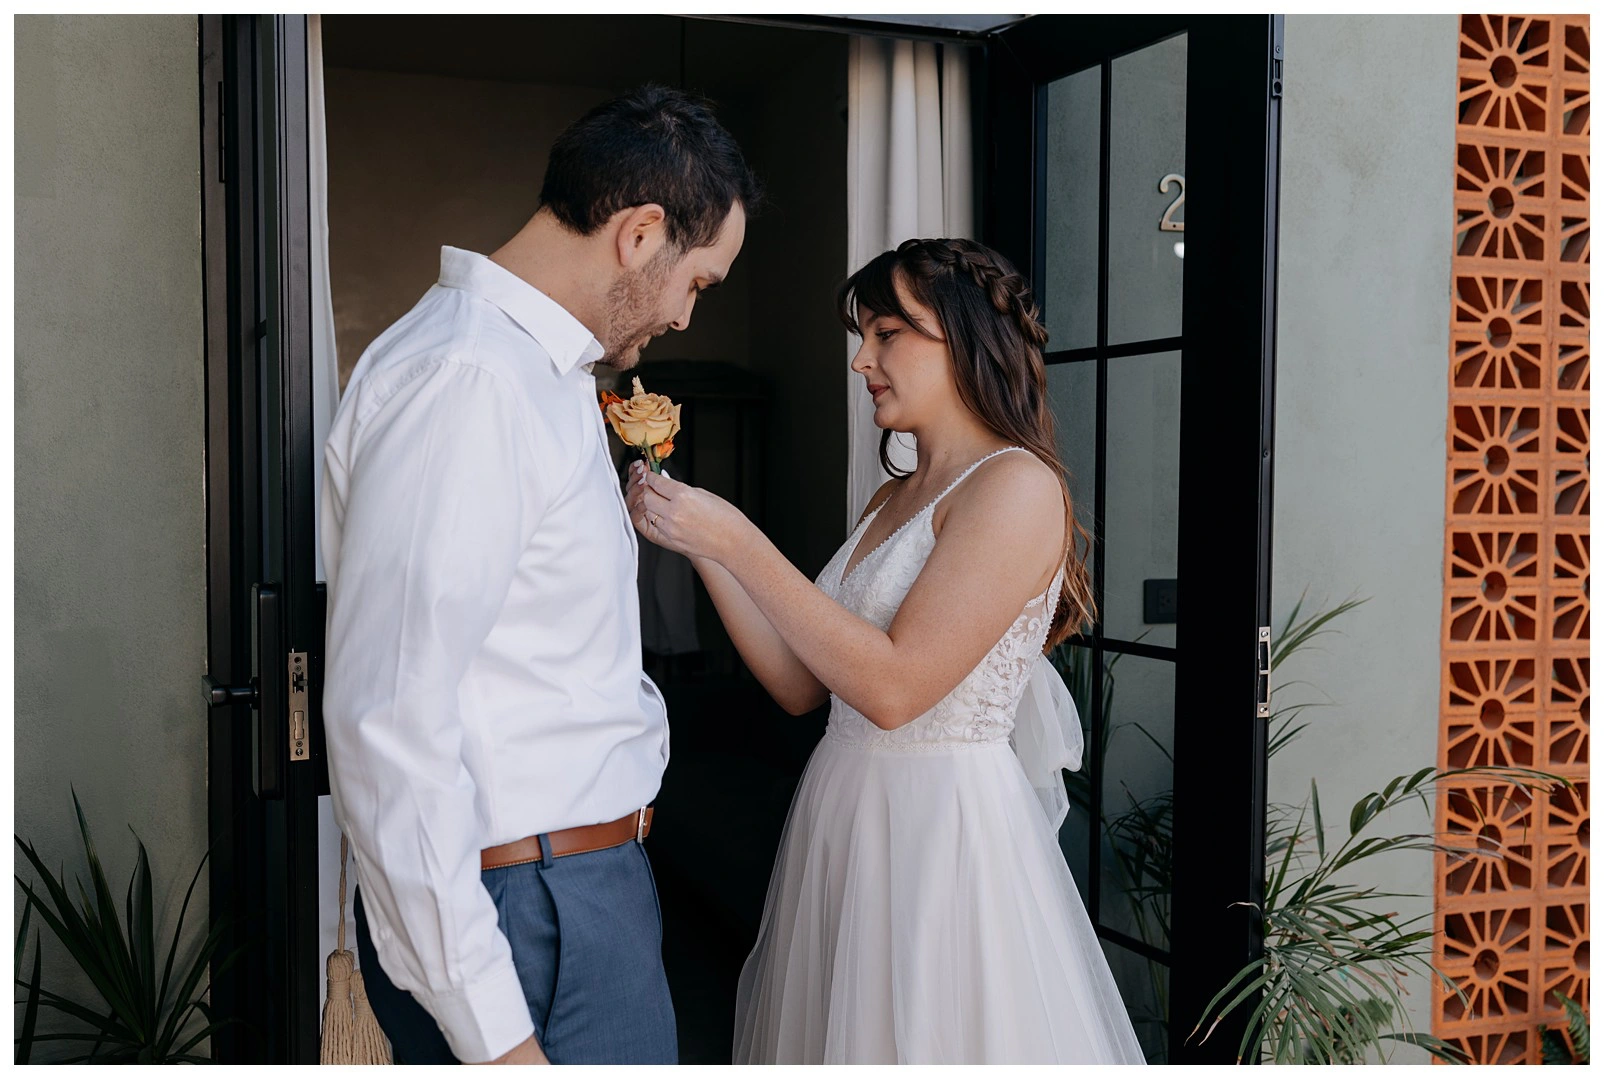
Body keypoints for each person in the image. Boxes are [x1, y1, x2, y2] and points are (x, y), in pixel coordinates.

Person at [626, 237, 1147, 1064]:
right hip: (843, 812)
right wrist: (701, 544)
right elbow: (801, 683)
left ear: (965, 338)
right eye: (862, 335)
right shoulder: (891, 496)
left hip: (941, 828)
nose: (862, 359)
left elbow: (897, 687)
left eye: (887, 333)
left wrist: (739, 537)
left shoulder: (1016, 487)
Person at [320, 86, 758, 1065]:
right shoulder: (471, 382)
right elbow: (388, 720)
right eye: (697, 281)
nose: (686, 316)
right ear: (639, 234)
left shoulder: (533, 373)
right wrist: (499, 1036)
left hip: (569, 896)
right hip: (532, 916)